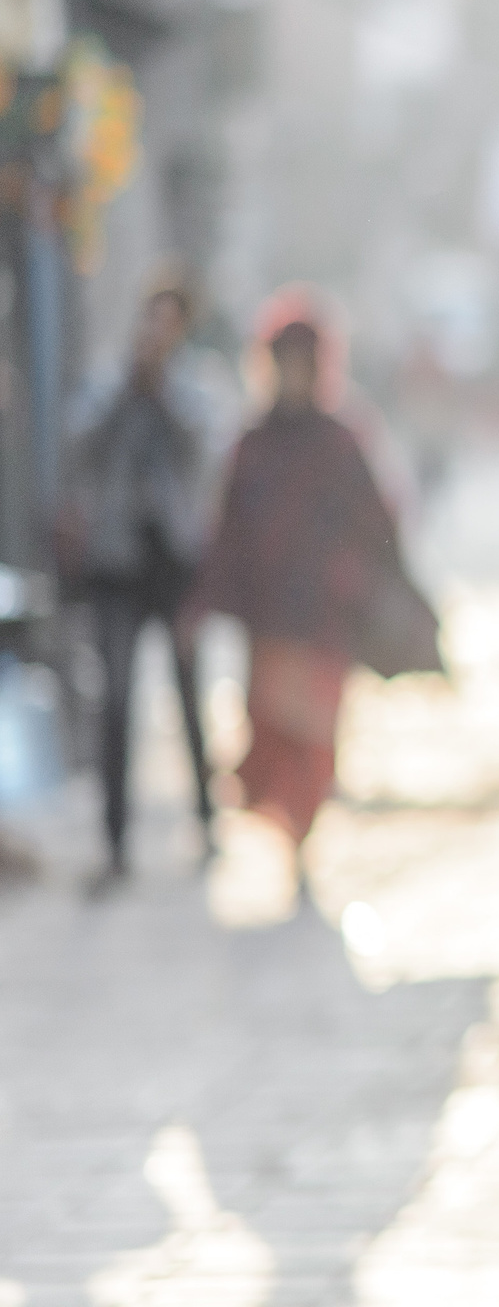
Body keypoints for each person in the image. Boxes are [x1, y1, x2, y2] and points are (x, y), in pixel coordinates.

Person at [187, 305, 436, 885]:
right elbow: (227, 531)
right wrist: (203, 601)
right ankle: (287, 835)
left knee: (315, 740)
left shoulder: (341, 441)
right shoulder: (253, 443)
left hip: (324, 615)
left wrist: (388, 589)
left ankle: (304, 840)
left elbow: (378, 522)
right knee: (271, 734)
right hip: (270, 617)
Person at [56, 278, 223, 884]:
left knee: (189, 697)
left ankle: (207, 823)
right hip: (117, 563)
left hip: (173, 564)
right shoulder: (108, 385)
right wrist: (130, 389)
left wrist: (160, 394)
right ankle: (115, 842)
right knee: (117, 701)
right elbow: (77, 444)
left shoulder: (195, 389)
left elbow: (203, 454)